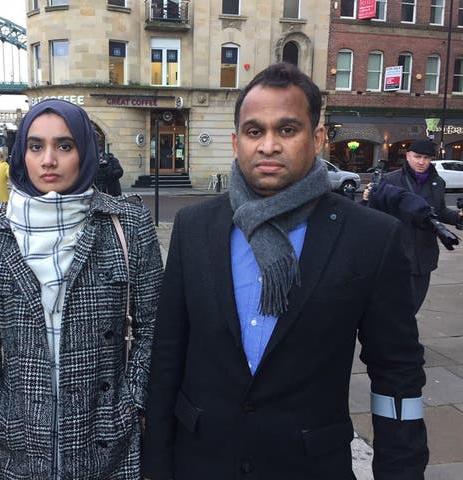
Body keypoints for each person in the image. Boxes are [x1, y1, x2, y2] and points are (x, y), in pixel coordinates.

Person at [142, 63, 428, 479]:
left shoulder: (372, 236)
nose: (269, 145)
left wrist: (400, 470)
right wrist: (157, 464)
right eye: (255, 131)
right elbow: (168, 353)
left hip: (309, 464)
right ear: (236, 141)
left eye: (287, 130)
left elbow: (397, 372)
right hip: (201, 460)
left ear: (316, 138)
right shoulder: (195, 227)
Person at [0, 99, 163, 479]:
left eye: (64, 146)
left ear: (86, 152)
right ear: (22, 153)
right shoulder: (0, 231)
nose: (48, 160)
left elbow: (156, 327)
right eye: (36, 146)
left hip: (107, 443)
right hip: (20, 446)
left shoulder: (126, 224)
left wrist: (133, 404)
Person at [375, 139, 463, 312]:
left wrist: (458, 217)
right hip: (397, 254)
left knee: (414, 305)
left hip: (425, 255)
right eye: (417, 157)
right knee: (394, 307)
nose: (421, 162)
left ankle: (403, 338)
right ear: (408, 156)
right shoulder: (390, 180)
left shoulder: (437, 182)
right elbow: (377, 214)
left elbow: (440, 211)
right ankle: (394, 338)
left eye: (426, 158)